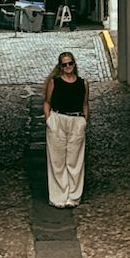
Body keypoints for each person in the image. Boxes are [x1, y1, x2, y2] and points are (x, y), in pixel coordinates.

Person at [42, 50, 89, 208]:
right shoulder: (55, 82)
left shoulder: (83, 83)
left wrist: (84, 121)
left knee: (75, 161)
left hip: (76, 120)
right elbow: (47, 101)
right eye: (64, 64)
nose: (68, 66)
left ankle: (73, 196)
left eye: (70, 63)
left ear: (74, 64)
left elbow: (85, 104)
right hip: (58, 120)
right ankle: (58, 197)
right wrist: (49, 120)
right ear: (60, 67)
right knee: (57, 160)